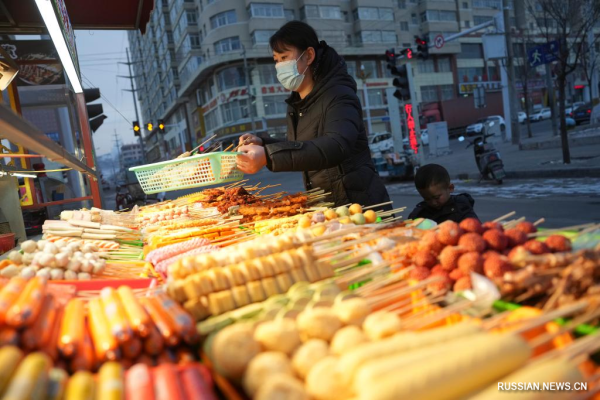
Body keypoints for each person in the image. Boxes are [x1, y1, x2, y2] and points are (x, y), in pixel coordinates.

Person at [236, 21, 390, 209]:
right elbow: (302, 144)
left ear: (308, 55)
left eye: (285, 57)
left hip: (361, 206)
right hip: (327, 208)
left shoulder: (338, 95)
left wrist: (268, 156)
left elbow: (336, 145)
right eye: (276, 60)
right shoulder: (298, 103)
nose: (279, 66)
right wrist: (263, 143)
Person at [408, 164, 479, 224]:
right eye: (427, 199)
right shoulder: (419, 213)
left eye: (436, 197)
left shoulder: (462, 208)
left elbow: (475, 230)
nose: (433, 203)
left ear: (450, 188)